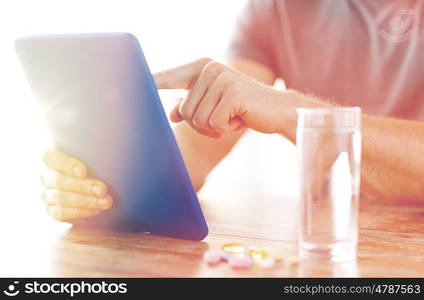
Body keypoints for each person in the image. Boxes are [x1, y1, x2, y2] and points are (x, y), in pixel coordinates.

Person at [41, 0, 424, 221]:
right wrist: (104, 190)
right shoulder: (278, 8)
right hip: (337, 240)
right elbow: (195, 150)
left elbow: (270, 103)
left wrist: (289, 109)